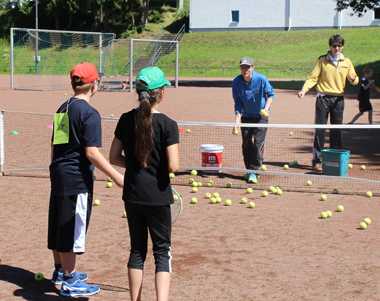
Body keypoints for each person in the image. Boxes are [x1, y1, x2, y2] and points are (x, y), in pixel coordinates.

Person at [48, 62, 124, 297]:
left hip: (60, 173)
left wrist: (57, 170)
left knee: (59, 222)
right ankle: (70, 280)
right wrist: (118, 177)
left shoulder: (64, 107)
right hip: (76, 179)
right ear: (94, 85)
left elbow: (56, 145)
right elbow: (91, 152)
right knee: (72, 227)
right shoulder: (90, 114)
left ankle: (60, 271)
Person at [109, 66, 179, 301]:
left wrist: (136, 165)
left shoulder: (126, 119)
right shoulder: (168, 124)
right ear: (161, 93)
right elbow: (173, 165)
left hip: (133, 194)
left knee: (137, 250)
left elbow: (114, 157)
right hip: (158, 196)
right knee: (162, 251)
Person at [297, 34, 359, 172]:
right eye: (334, 46)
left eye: (339, 45)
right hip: (323, 99)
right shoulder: (322, 61)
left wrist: (355, 79)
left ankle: (335, 160)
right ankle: (317, 160)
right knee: (320, 130)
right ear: (330, 47)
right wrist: (304, 90)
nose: (336, 48)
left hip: (338, 100)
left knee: (336, 130)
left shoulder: (347, 62)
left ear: (342, 47)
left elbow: (354, 80)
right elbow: (313, 78)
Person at [232, 56, 275, 183]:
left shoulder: (261, 79)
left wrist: (266, 109)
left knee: (257, 143)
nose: (245, 69)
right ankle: (249, 169)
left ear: (253, 68)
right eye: (242, 67)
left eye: (247, 67)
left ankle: (254, 171)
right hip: (246, 116)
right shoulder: (236, 82)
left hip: (261, 116)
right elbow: (238, 104)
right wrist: (237, 122)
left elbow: (271, 95)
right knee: (246, 143)